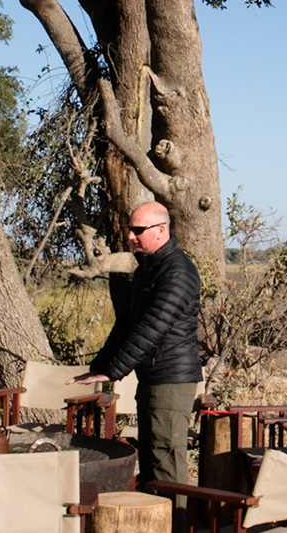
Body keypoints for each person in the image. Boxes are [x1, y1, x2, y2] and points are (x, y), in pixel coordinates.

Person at [72, 201, 202, 485]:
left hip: (171, 380)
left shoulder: (177, 272)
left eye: (138, 230)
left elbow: (151, 328)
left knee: (166, 461)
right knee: (151, 457)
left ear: (160, 230)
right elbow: (127, 324)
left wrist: (114, 371)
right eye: (131, 229)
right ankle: (157, 526)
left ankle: (176, 529)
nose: (131, 236)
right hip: (152, 378)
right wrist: (101, 366)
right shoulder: (148, 268)